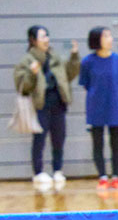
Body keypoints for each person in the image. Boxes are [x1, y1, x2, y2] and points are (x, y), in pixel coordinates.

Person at [12, 26, 79, 191]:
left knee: (59, 139)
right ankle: (39, 172)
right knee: (39, 140)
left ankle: (57, 169)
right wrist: (32, 73)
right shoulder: (26, 61)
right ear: (33, 40)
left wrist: (74, 56)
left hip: (58, 104)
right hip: (40, 106)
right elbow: (23, 87)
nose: (46, 39)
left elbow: (69, 75)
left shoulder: (55, 57)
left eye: (47, 36)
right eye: (42, 36)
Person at [79, 26, 118, 191]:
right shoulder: (87, 62)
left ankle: (116, 177)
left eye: (110, 36)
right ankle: (102, 177)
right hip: (96, 108)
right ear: (97, 40)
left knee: (116, 144)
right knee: (97, 144)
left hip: (116, 106)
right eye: (106, 36)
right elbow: (85, 83)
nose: (110, 39)